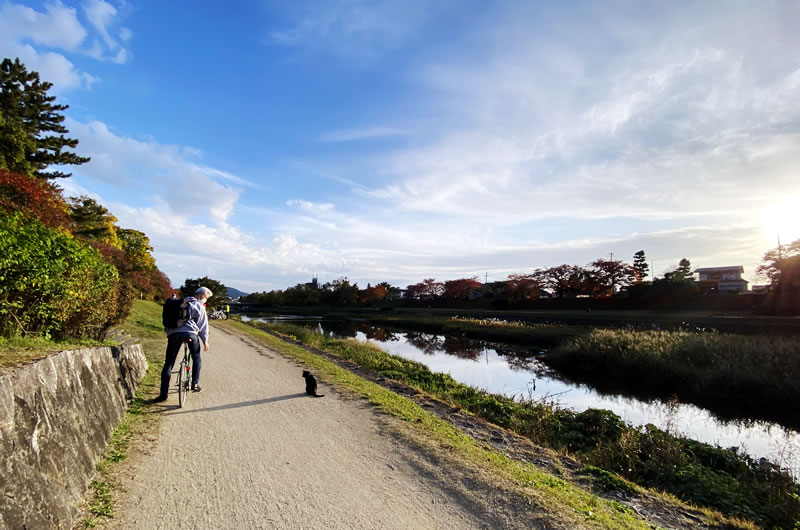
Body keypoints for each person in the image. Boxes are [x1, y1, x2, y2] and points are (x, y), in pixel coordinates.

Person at [155, 286, 213, 402]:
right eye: (206, 298)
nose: (205, 300)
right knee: (196, 358)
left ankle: (163, 394)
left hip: (174, 334)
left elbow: (168, 319)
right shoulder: (198, 305)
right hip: (190, 333)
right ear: (201, 296)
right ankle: (194, 384)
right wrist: (205, 341)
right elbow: (203, 325)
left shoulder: (177, 303)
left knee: (169, 363)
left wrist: (169, 333)